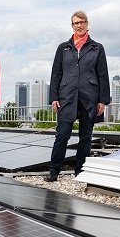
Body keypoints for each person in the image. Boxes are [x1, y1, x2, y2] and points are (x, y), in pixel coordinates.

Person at [45, 11, 110, 182]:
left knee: (86, 137)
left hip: (90, 97)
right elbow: (56, 74)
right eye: (75, 23)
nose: (79, 25)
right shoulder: (63, 48)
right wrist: (54, 97)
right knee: (62, 134)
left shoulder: (97, 48)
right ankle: (54, 170)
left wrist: (103, 100)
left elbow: (103, 74)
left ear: (87, 24)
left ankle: (80, 170)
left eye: (82, 22)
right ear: (72, 26)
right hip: (67, 96)